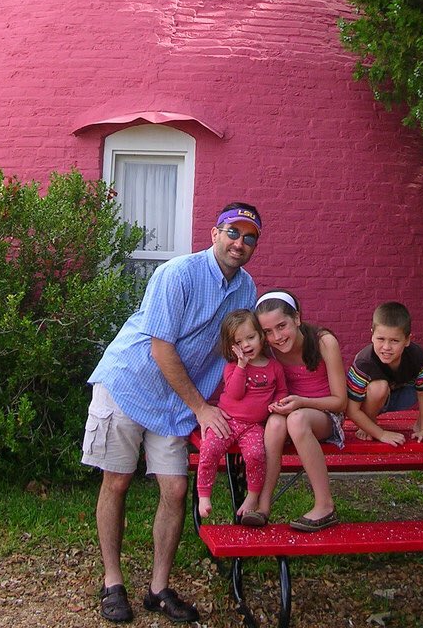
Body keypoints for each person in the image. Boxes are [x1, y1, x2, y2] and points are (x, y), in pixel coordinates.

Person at [81, 201, 262, 623]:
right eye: (232, 233)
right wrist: (201, 407)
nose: (239, 243)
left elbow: (238, 350)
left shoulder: (247, 288)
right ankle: (113, 583)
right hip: (129, 384)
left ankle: (158, 589)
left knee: (176, 491)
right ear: (214, 234)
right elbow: (161, 347)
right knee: (117, 482)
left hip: (177, 402)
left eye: (249, 238)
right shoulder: (177, 274)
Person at [242, 290, 347, 532]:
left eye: (282, 326)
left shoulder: (323, 342)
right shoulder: (268, 351)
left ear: (297, 319)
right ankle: (263, 506)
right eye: (267, 332)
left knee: (297, 420)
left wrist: (301, 402)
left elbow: (340, 401)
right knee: (276, 423)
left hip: (324, 414)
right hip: (289, 411)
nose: (277, 337)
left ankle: (325, 505)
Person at [196, 308, 287, 523]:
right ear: (231, 347)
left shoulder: (274, 367)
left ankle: (252, 497)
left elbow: (282, 390)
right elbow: (236, 393)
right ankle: (204, 495)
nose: (246, 345)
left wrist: (279, 402)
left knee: (256, 456)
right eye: (239, 342)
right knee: (209, 449)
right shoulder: (231, 368)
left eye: (251, 337)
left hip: (254, 426)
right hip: (228, 421)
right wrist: (241, 366)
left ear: (261, 337)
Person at [346, 301, 423, 447]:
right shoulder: (364, 362)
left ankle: (422, 424)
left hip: (400, 393)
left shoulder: (416, 355)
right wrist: (381, 434)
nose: (386, 347)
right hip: (373, 401)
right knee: (379, 387)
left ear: (407, 340)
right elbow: (351, 410)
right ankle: (369, 425)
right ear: (372, 335)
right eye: (380, 339)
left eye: (394, 341)